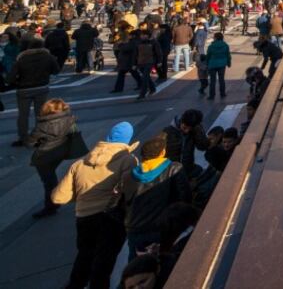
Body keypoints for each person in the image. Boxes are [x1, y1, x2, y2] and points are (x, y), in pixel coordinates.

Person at [52, 121, 138, 289]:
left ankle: (75, 285)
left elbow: (58, 197)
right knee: (103, 264)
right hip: (111, 218)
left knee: (85, 256)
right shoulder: (128, 160)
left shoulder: (79, 163)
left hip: (83, 218)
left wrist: (83, 197)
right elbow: (130, 192)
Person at [110, 134, 192, 260]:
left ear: (143, 156)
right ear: (163, 152)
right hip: (163, 228)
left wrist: (127, 223)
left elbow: (115, 205)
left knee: (136, 265)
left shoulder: (128, 176)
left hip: (135, 229)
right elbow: (185, 198)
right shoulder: (174, 169)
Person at [27, 98, 78, 218]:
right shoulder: (70, 119)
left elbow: (31, 142)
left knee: (48, 181)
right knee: (51, 177)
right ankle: (54, 201)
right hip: (60, 153)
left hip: (44, 156)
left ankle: (51, 205)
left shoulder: (43, 125)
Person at [10, 37, 60, 146]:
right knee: (41, 114)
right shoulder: (48, 57)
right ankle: (40, 137)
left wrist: (17, 82)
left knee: (23, 115)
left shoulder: (22, 58)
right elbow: (56, 70)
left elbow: (11, 77)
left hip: (24, 89)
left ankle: (23, 137)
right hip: (42, 87)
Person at [162, 109, 209, 179]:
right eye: (185, 128)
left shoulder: (195, 130)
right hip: (172, 172)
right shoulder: (168, 132)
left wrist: (198, 130)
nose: (187, 131)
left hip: (187, 169)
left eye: (190, 129)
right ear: (181, 121)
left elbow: (203, 146)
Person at [133, 29, 161, 100]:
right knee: (146, 77)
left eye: (143, 35)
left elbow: (158, 52)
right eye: (141, 35)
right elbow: (135, 54)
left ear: (147, 35)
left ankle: (143, 93)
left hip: (150, 62)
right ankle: (152, 88)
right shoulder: (138, 42)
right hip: (141, 62)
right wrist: (134, 64)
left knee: (144, 77)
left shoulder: (154, 42)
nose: (141, 36)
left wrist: (159, 61)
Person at [205, 32, 231, 100]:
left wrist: (207, 64)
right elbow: (228, 55)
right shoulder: (225, 45)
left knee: (212, 81)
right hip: (222, 64)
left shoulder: (211, 46)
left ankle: (212, 95)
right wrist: (229, 63)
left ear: (215, 38)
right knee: (221, 79)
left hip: (212, 64)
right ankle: (222, 93)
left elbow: (208, 56)